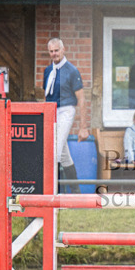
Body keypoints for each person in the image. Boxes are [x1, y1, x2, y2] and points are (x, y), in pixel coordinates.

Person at [43, 38, 89, 193]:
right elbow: (46, 96)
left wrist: (83, 127)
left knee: (54, 151)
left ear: (63, 50)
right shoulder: (48, 71)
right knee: (63, 155)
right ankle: (76, 192)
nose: (54, 54)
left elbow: (82, 99)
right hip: (51, 111)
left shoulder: (72, 70)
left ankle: (51, 193)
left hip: (66, 110)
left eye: (57, 50)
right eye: (51, 51)